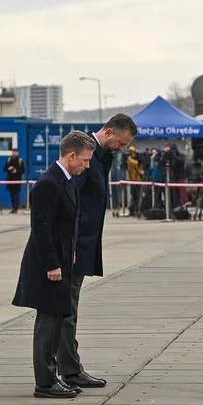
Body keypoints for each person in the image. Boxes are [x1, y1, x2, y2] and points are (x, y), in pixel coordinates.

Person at [12, 132, 96, 399]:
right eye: (84, 160)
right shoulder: (48, 183)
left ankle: (55, 375)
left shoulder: (67, 181)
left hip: (62, 262)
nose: (87, 165)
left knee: (59, 319)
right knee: (47, 323)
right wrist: (51, 264)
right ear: (71, 156)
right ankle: (45, 382)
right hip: (47, 265)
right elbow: (42, 228)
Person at [64, 115, 138, 388]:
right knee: (67, 308)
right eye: (120, 143)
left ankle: (66, 366)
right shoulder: (85, 159)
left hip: (83, 244)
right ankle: (69, 369)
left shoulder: (100, 157)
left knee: (69, 307)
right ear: (108, 133)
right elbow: (71, 204)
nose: (121, 149)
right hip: (74, 246)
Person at [4, 148, 25, 213]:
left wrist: (16, 171)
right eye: (13, 152)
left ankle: (16, 208)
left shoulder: (20, 160)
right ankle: (13, 207)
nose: (14, 153)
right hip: (10, 179)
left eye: (15, 152)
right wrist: (9, 168)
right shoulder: (9, 160)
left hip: (17, 179)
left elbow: (23, 170)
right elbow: (4, 169)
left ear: (17, 153)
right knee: (12, 194)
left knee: (16, 194)